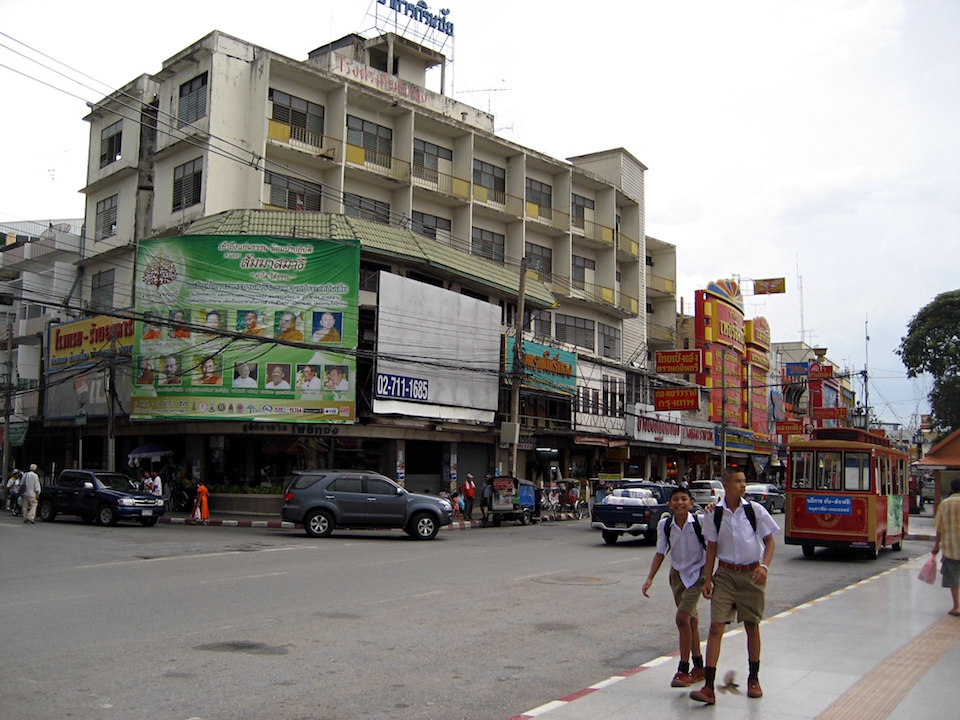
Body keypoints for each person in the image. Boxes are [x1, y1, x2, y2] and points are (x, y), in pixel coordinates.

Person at [689, 467, 778, 705]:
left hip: (751, 574)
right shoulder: (714, 514)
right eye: (738, 481)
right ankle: (708, 687)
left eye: (744, 481)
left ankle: (754, 678)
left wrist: (765, 568)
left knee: (752, 625)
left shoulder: (754, 510)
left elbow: (770, 542)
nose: (743, 485)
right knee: (716, 627)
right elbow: (711, 548)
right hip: (726, 575)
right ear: (725, 485)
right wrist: (708, 579)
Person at [642, 486, 707, 687]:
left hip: (698, 573)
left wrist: (712, 578)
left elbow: (714, 543)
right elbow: (661, 552)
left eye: (684, 499)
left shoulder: (701, 522)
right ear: (670, 504)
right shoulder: (665, 524)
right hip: (678, 575)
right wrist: (650, 578)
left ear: (691, 503)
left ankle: (682, 669)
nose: (680, 503)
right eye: (676, 499)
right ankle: (699, 667)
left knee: (682, 618)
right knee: (691, 622)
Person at [932, 477, 960, 616]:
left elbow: (939, 527)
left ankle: (956, 606)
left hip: (951, 547)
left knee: (954, 577)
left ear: (952, 488)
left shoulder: (944, 504)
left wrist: (936, 546)